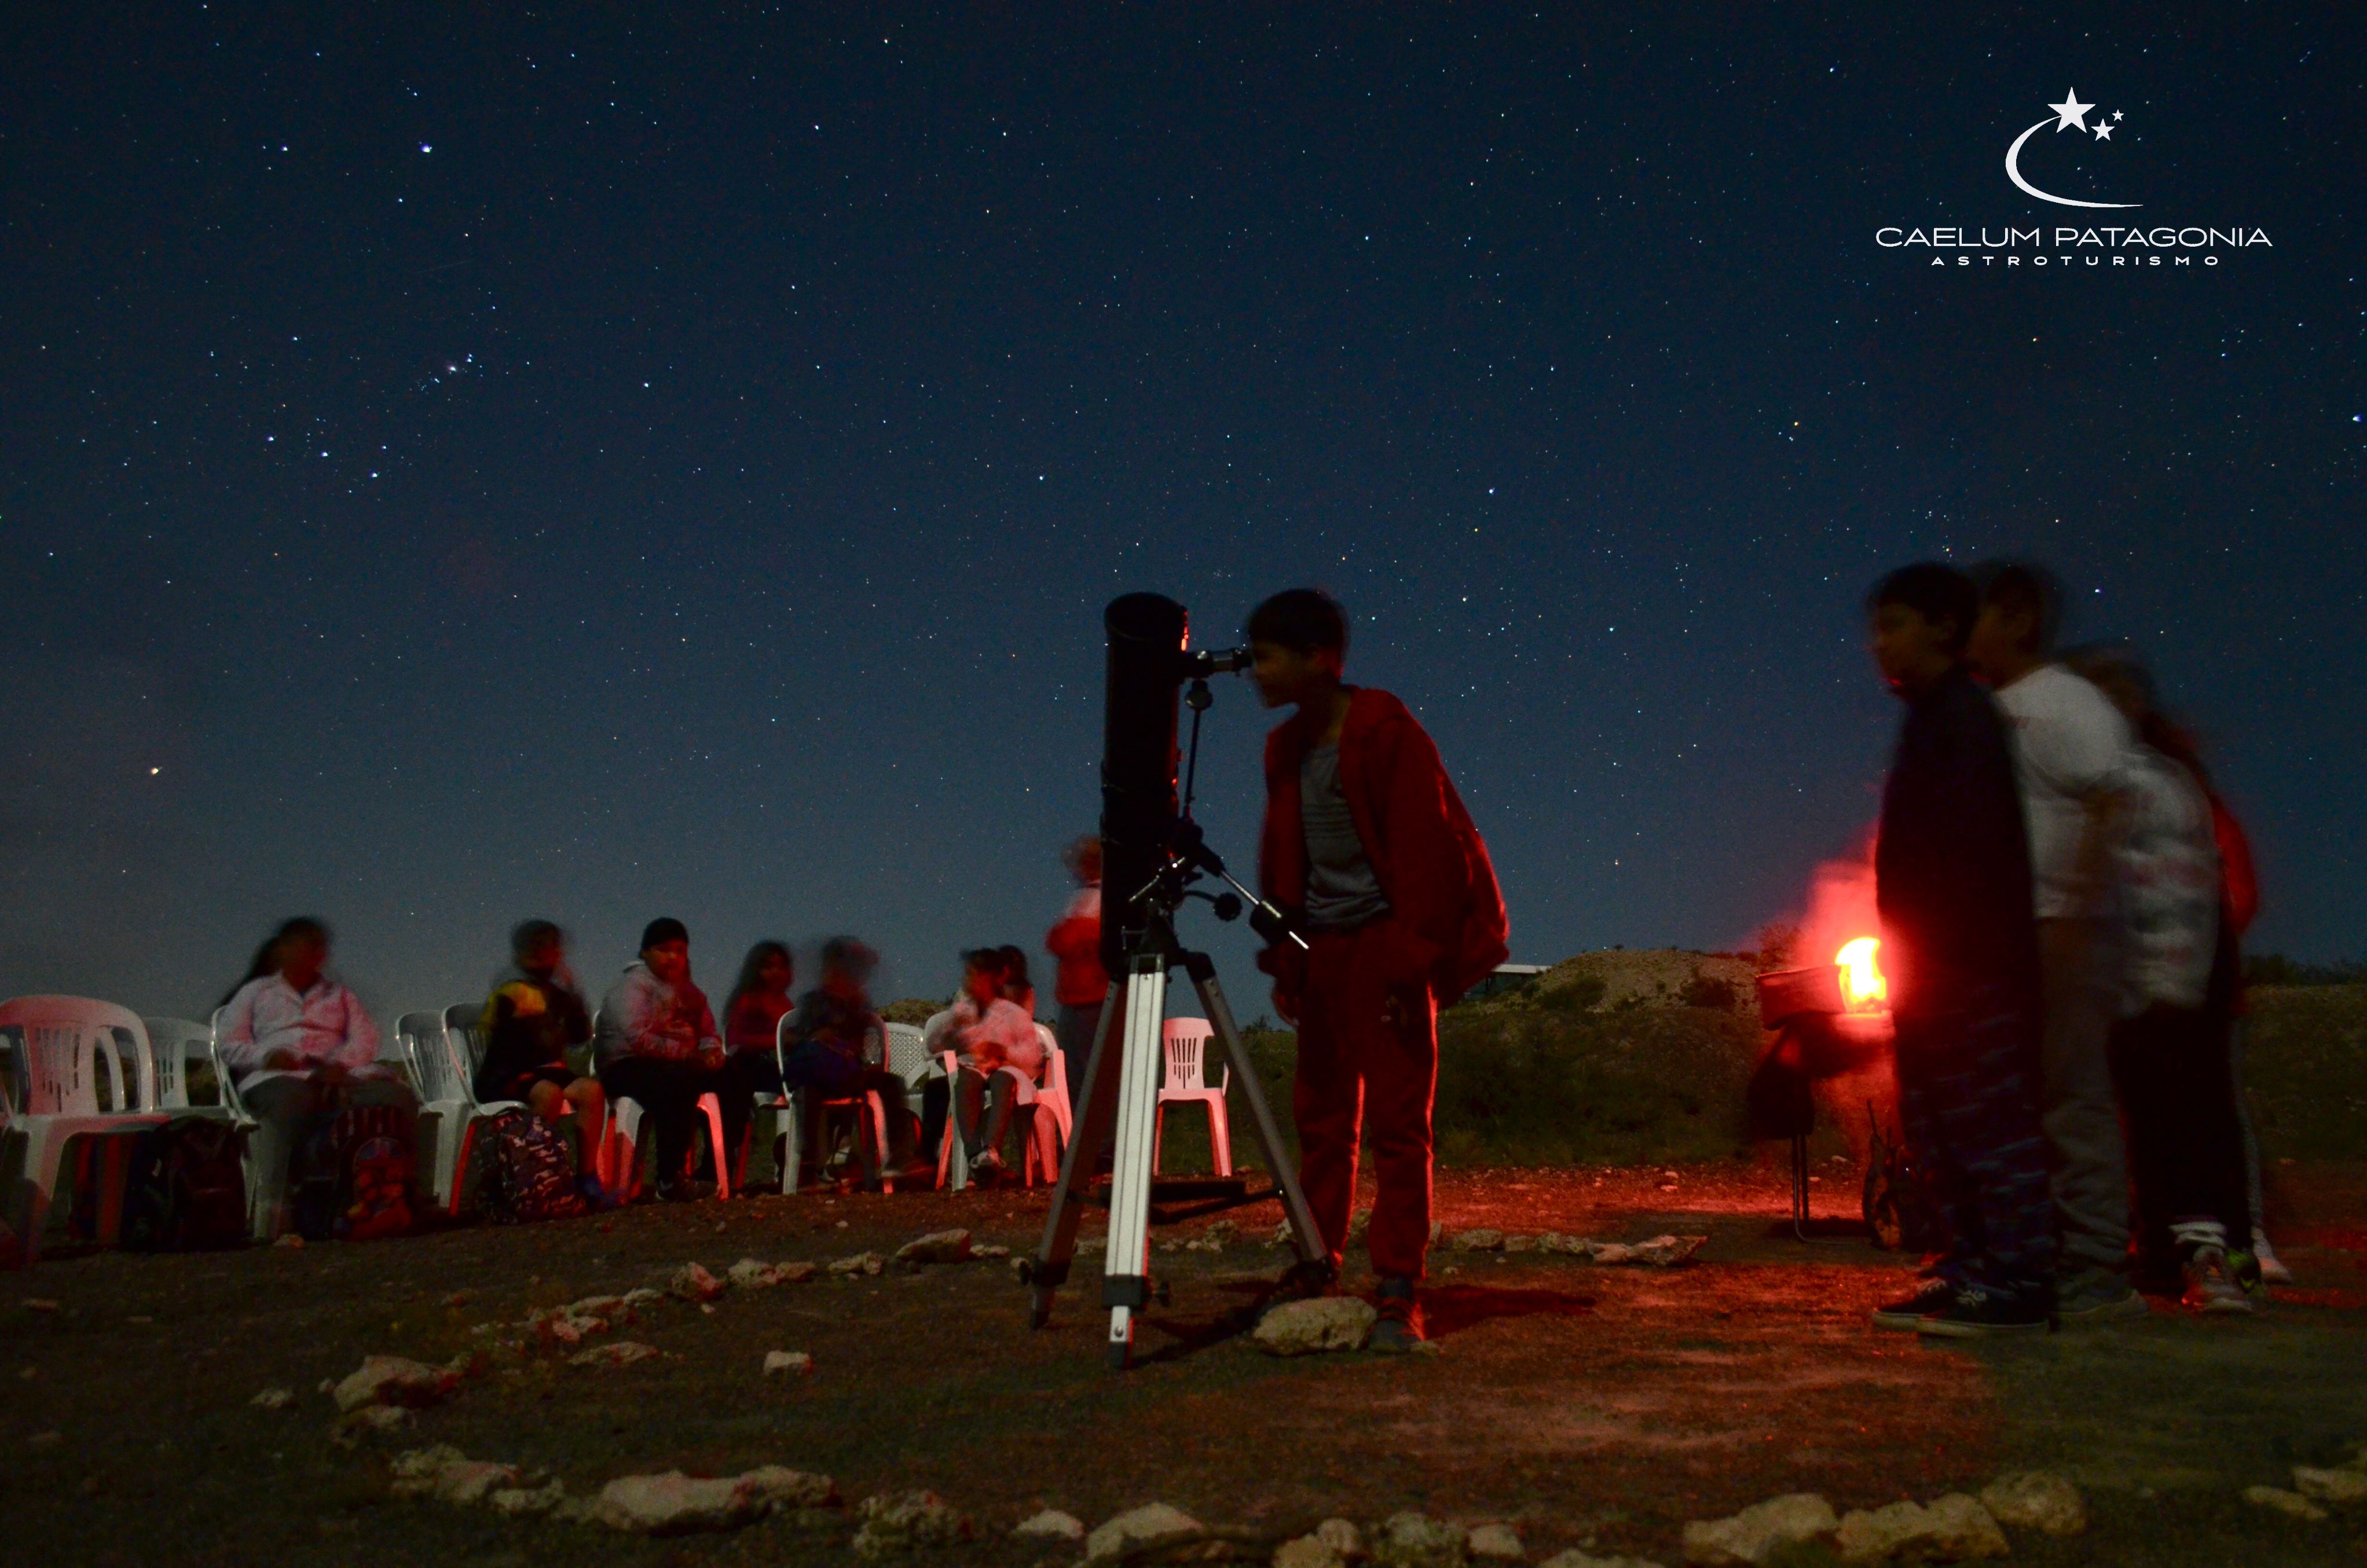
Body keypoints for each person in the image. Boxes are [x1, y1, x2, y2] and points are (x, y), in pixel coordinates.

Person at [1248, 588, 1507, 1351]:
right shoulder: (1282, 749)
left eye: (1267, 655)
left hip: (1384, 946)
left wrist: (1412, 963)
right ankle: (1317, 1256)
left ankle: (1398, 1283)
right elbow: (1282, 853)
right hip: (1323, 948)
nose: (1254, 671)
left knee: (1398, 1121)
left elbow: (1427, 852)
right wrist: (1288, 955)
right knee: (1321, 1118)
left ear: (1318, 660)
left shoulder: (1385, 731)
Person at [1864, 565, 2055, 1335]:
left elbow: (1973, 855)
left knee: (1988, 1128)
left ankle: (2018, 1282)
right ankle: (1970, 1269)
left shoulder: (1963, 718)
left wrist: (1950, 961)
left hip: (1969, 967)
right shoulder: (1930, 717)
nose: (1881, 645)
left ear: (1943, 628)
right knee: (1942, 1129)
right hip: (1932, 966)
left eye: (1895, 625)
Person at [1965, 561, 2145, 1325]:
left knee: (2073, 1098)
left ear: (2017, 618)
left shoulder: (2066, 705)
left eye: (1973, 615)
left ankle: (2098, 1269)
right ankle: (2034, 1256)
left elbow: (2116, 800)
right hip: (2017, 936)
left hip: (2065, 932)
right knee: (2024, 1104)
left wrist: (2075, 908)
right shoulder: (1994, 708)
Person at [2066, 646, 2259, 1312]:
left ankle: (2208, 1258)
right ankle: (2169, 1254)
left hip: (2166, 984)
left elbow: (2160, 889)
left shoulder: (2142, 780)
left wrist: (2158, 986)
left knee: (2181, 1127)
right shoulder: (2157, 775)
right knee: (2157, 1127)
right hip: (2162, 982)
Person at [217, 917, 420, 1239]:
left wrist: (337, 1064)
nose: (307, 954)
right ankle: (278, 1213)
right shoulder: (256, 993)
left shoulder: (339, 995)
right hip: (278, 1076)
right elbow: (229, 1042)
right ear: (282, 951)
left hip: (337, 1075)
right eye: (298, 946)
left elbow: (365, 1038)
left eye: (314, 947)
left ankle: (398, 1198)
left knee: (399, 1098)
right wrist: (264, 1058)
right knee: (290, 1102)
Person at [476, 919, 608, 1207]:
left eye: (553, 949)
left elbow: (579, 1036)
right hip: (508, 1072)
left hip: (547, 1070)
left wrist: (574, 996)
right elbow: (493, 1037)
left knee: (592, 1092)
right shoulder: (510, 992)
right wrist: (522, 1023)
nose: (549, 955)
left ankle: (586, 1177)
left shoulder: (558, 994)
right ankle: (534, 1176)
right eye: (541, 949)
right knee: (548, 1093)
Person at [593, 918, 725, 1202]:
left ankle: (714, 1171)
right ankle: (669, 1178)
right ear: (645, 953)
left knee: (732, 1079)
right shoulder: (632, 988)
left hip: (677, 1063)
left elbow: (708, 1031)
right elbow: (637, 1039)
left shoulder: (689, 992)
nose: (673, 957)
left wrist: (712, 1052)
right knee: (678, 1082)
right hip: (625, 1065)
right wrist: (689, 1056)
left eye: (680, 950)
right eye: (665, 949)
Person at [779, 937, 921, 1185]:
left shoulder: (856, 1003)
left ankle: (898, 1159)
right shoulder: (815, 1001)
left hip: (848, 1073)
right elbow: (795, 1037)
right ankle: (808, 1165)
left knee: (891, 1084)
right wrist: (816, 1037)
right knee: (808, 1092)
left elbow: (861, 1041)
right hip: (819, 1075)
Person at [944, 947, 1046, 1184]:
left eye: (974, 975)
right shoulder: (964, 1011)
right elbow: (935, 1044)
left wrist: (1003, 1052)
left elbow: (1033, 1056)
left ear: (992, 978)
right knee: (966, 1081)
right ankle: (974, 1156)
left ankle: (992, 1149)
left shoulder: (1013, 1013)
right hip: (976, 1069)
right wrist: (953, 1034)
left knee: (1003, 1080)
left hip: (1008, 1070)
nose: (968, 981)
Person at [718, 940, 797, 1185]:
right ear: (756, 970)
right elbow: (736, 1040)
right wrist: (776, 1041)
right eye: (768, 967)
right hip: (754, 1066)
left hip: (778, 1066)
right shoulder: (749, 1000)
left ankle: (801, 1157)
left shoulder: (784, 1002)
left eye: (781, 967)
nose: (775, 972)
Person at [1045, 835, 1107, 1104]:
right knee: (1079, 1077)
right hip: (1077, 1002)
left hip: (1091, 1002)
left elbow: (1064, 940)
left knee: (1089, 1078)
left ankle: (1100, 1143)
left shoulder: (1099, 900)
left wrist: (1068, 934)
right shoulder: (1085, 898)